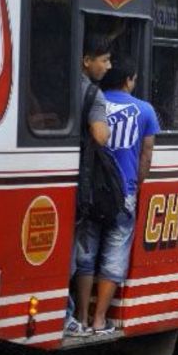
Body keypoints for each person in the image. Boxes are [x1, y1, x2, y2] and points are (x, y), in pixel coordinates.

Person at [73, 55, 160, 335]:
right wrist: (136, 183)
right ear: (128, 81)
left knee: (86, 255)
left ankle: (80, 317)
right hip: (124, 193)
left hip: (90, 191)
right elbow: (146, 154)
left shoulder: (91, 100)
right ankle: (100, 321)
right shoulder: (145, 110)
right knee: (114, 257)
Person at [65, 35, 112, 337]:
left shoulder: (58, 83)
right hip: (78, 181)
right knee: (72, 254)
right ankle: (68, 314)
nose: (109, 66)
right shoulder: (93, 94)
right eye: (104, 60)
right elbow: (100, 136)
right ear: (86, 61)